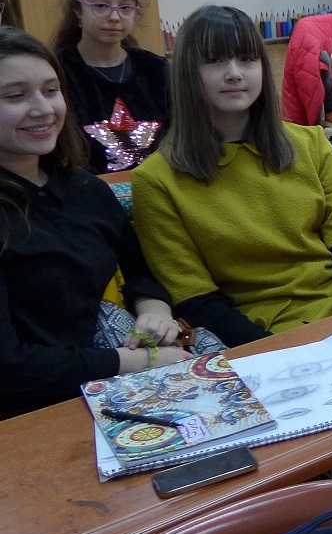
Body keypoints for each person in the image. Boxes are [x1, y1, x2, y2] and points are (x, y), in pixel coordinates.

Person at [133, 6, 332, 348]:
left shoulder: (311, 143)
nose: (234, 74)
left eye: (246, 59)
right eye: (215, 61)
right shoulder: (156, 181)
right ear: (187, 74)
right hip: (269, 330)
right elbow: (196, 299)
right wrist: (276, 353)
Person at [0, 27, 195, 420]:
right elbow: (10, 368)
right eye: (15, 96)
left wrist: (153, 309)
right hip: (40, 408)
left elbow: (139, 271)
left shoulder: (85, 188)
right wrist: (135, 363)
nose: (42, 108)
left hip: (116, 368)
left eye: (51, 90)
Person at [52, 0, 171, 173]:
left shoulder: (157, 69)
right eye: (101, 6)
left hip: (156, 189)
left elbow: (177, 139)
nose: (114, 17)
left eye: (125, 7)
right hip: (91, 194)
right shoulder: (57, 73)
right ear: (78, 9)